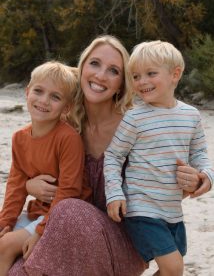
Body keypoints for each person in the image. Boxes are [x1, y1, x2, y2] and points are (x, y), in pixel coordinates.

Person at [8, 36, 210, 276]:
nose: (101, 75)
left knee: (70, 209)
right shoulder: (63, 124)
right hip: (64, 233)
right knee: (15, 270)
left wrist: (197, 180)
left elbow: (172, 176)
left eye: (113, 70)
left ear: (122, 83)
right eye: (94, 64)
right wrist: (30, 184)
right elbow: (27, 164)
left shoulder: (136, 124)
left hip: (122, 240)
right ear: (82, 69)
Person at [104, 40, 214, 276]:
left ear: (175, 74)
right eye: (135, 76)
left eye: (150, 73)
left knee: (170, 270)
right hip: (141, 209)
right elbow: (113, 156)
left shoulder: (191, 116)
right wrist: (114, 193)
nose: (141, 81)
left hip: (173, 209)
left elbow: (200, 155)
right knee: (174, 267)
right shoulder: (135, 118)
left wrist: (206, 177)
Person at [0, 61, 89, 276]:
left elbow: (69, 191)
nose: (43, 101)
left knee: (6, 246)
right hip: (38, 212)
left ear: (66, 107)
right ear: (27, 92)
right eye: (38, 91)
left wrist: (40, 231)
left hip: (62, 219)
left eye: (55, 97)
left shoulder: (68, 138)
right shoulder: (19, 138)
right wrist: (5, 221)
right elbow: (16, 185)